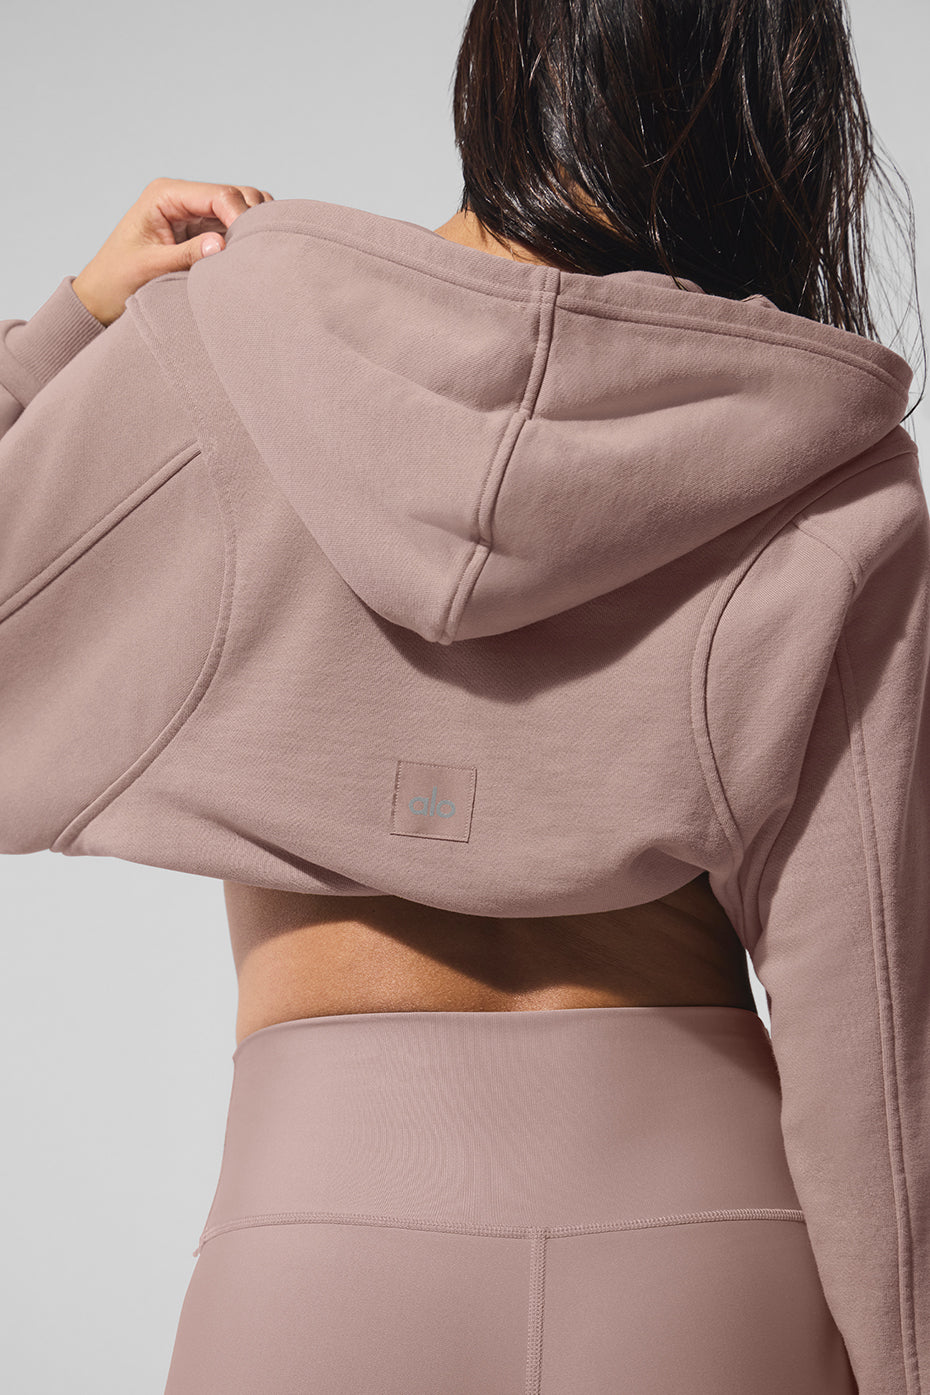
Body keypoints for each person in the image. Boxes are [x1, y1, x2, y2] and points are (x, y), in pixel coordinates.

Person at [1, 1, 926, 1391]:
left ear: (505, 58)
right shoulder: (818, 461)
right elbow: (880, 1036)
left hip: (321, 1241)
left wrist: (69, 329)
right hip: (708, 1241)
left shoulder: (219, 357)